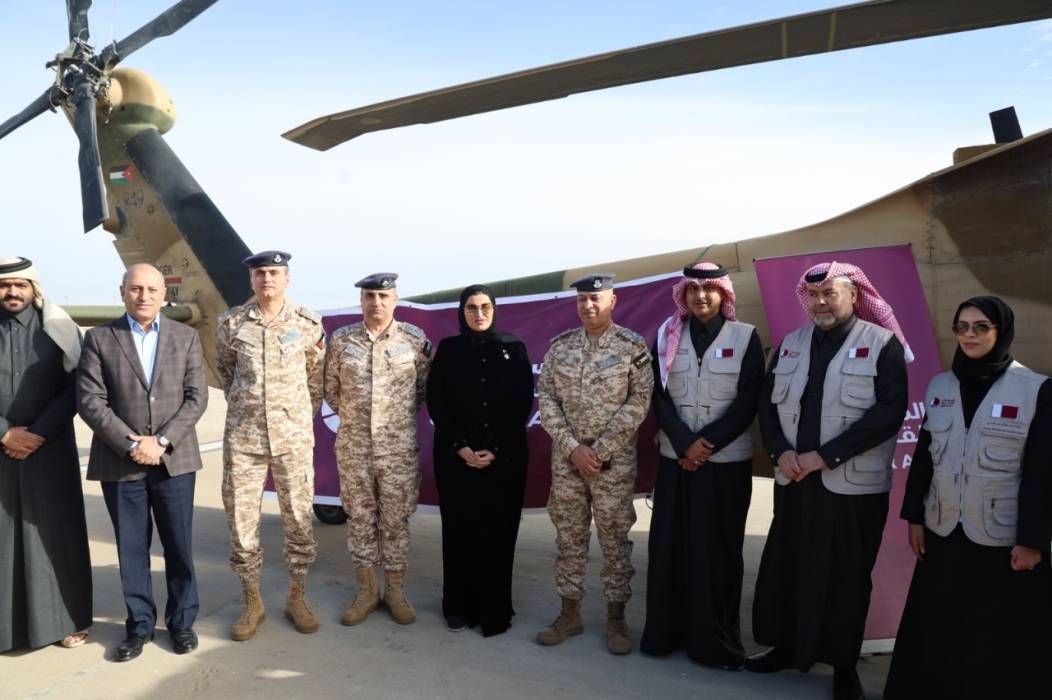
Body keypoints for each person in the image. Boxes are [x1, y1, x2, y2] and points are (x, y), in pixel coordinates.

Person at [748, 261, 909, 700]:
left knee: (846, 576)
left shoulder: (882, 345)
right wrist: (781, 452)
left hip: (851, 486)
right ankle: (786, 647)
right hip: (795, 479)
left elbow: (887, 414)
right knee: (790, 566)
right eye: (814, 295)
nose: (820, 303)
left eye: (830, 294)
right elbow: (767, 404)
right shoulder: (790, 344)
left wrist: (823, 457)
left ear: (853, 295)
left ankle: (842, 665)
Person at [884, 297, 1052, 699]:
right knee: (939, 625)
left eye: (981, 327)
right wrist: (914, 517)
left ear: (1001, 331)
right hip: (944, 531)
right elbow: (923, 459)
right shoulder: (940, 385)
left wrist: (1032, 541)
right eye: (962, 327)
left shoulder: (1036, 390)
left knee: (994, 634)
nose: (970, 335)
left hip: (1001, 540)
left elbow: (1042, 474)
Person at [77, 263, 208, 661]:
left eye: (152, 289)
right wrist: (129, 444)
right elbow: (90, 400)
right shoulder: (99, 338)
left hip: (174, 462)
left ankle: (181, 622)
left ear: (164, 295)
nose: (144, 296)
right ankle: (139, 626)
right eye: (135, 289)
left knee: (179, 546)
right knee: (131, 549)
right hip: (121, 463)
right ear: (122, 292)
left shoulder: (186, 337)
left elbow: (196, 397)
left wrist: (162, 441)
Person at [640, 262, 763, 669]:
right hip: (676, 460)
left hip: (723, 463)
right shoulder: (666, 335)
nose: (701, 296)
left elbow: (749, 400)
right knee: (670, 548)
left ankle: (714, 644)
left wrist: (704, 445)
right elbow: (658, 397)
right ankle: (665, 635)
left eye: (709, 289)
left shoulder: (745, 337)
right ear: (684, 296)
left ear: (724, 294)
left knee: (716, 552)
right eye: (693, 290)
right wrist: (685, 444)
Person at [535, 272, 654, 655]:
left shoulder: (632, 347)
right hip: (567, 464)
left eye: (595, 298)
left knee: (615, 540)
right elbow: (546, 399)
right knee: (569, 538)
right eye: (582, 299)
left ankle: (616, 618)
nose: (588, 305)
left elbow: (639, 401)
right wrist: (572, 448)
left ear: (612, 301)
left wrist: (599, 450)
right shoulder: (561, 347)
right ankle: (569, 613)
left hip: (612, 465)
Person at [215, 250, 325, 640]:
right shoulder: (231, 324)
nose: (267, 279)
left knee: (299, 521)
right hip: (244, 439)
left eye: (274, 273)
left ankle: (298, 597)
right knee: (242, 523)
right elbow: (226, 373)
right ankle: (252, 602)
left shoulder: (308, 324)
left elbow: (315, 380)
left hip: (292, 438)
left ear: (287, 278)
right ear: (252, 280)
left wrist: (294, 416)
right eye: (260, 273)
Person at [425, 284, 534, 636]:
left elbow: (522, 403)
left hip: (504, 459)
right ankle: (457, 606)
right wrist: (461, 447)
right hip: (456, 459)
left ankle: (494, 610)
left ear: (494, 309)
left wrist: (496, 449)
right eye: (471, 307)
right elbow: (436, 401)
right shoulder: (449, 349)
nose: (479, 313)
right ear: (462, 312)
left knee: (498, 534)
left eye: (485, 306)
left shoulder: (514, 347)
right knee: (460, 532)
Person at [324, 272, 431, 626]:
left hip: (398, 449)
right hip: (354, 448)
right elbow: (331, 390)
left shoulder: (414, 340)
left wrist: (392, 421)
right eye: (370, 296)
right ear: (361, 300)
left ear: (395, 299)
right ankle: (367, 592)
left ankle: (396, 592)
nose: (376, 302)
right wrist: (358, 419)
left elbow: (422, 392)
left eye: (384, 296)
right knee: (360, 520)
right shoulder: (342, 340)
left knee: (396, 521)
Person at [0, 257, 91, 652]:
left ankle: (65, 622)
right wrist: (5, 433)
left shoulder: (58, 329)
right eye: (4, 285)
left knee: (54, 536)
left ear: (33, 288)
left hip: (49, 449)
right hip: (1, 446)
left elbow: (76, 387)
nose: (12, 292)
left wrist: (36, 434)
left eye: (19, 285)